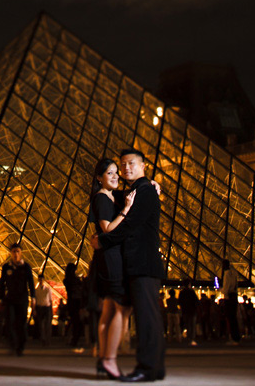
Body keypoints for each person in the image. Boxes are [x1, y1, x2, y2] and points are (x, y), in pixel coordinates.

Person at [92, 149, 166, 383]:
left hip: (143, 264)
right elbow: (113, 200)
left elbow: (130, 225)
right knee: (147, 318)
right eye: (122, 165)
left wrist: (101, 241)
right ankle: (154, 367)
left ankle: (147, 367)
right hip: (139, 264)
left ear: (144, 166)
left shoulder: (144, 191)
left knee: (146, 319)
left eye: (131, 164)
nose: (125, 169)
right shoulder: (136, 191)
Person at [0, 242, 35, 356]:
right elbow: (2, 284)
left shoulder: (26, 267)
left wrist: (33, 298)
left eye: (17, 251)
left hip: (22, 299)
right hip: (10, 299)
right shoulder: (6, 267)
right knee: (10, 322)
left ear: (21, 253)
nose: (15, 254)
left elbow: (31, 283)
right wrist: (0, 299)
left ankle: (20, 345)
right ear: (11, 253)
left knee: (21, 323)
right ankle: (14, 344)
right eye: (14, 251)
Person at [222, 259, 240, 344]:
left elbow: (226, 286)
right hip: (234, 296)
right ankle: (236, 337)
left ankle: (233, 338)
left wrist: (221, 291)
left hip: (229, 297)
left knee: (230, 318)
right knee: (234, 318)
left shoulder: (227, 274)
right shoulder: (234, 273)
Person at [177, 281, 199, 346]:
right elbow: (196, 301)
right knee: (192, 325)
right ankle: (192, 338)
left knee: (187, 324)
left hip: (185, 311)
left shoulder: (182, 292)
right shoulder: (192, 292)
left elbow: (179, 302)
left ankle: (188, 337)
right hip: (192, 311)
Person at [34, 275, 53, 346]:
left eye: (41, 279)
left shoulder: (48, 289)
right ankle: (43, 339)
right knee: (41, 324)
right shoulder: (36, 290)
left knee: (47, 324)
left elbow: (50, 300)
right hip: (40, 307)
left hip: (47, 307)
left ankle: (47, 339)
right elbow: (35, 300)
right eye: (39, 280)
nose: (41, 281)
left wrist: (51, 310)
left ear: (44, 280)